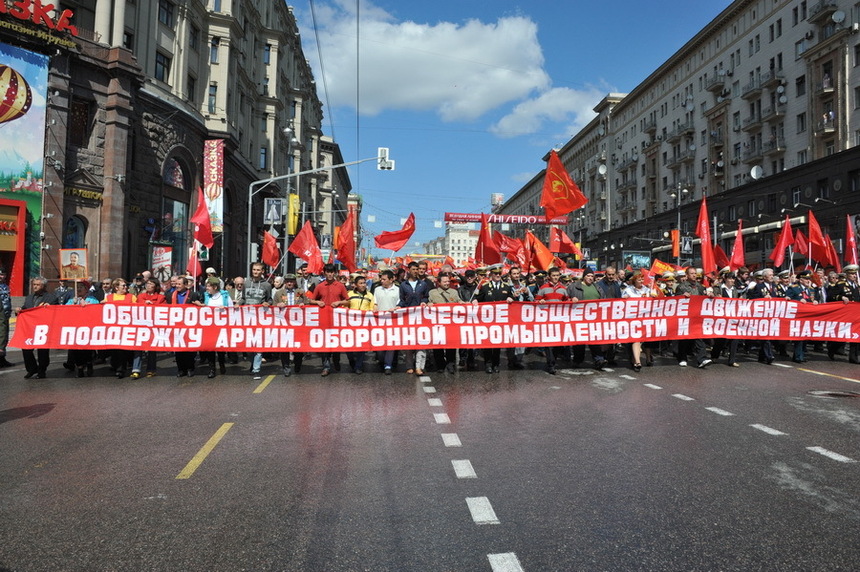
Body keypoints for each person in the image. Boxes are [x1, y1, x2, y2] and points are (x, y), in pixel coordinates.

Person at [308, 263, 348, 376]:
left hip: (337, 320)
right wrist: (317, 302)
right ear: (324, 273)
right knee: (324, 344)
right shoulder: (320, 286)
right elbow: (310, 300)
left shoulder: (340, 286)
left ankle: (336, 361)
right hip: (324, 320)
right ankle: (326, 366)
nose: (330, 274)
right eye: (328, 272)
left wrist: (339, 302)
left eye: (332, 272)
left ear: (334, 273)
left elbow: (348, 301)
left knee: (336, 343)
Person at [16, 277, 59, 378]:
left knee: (42, 351)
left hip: (43, 328)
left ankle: (42, 370)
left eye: (37, 285)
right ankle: (32, 369)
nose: (35, 286)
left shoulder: (51, 298)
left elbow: (58, 311)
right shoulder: (29, 297)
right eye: (34, 284)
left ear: (43, 286)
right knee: (26, 347)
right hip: (29, 327)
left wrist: (50, 308)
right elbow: (25, 308)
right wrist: (19, 310)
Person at [567, 268, 607, 370]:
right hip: (579, 318)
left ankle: (599, 359)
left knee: (594, 340)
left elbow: (604, 300)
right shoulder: (574, 287)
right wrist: (571, 299)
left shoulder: (597, 287)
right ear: (583, 277)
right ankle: (577, 360)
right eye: (588, 276)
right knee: (579, 342)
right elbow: (565, 298)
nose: (590, 278)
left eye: (591, 276)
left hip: (594, 318)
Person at [475, 267, 513, 373]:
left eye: (499, 273)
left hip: (500, 320)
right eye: (495, 273)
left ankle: (496, 364)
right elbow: (479, 299)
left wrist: (511, 299)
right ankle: (488, 364)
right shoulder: (485, 286)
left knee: (497, 344)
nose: (497, 275)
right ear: (491, 274)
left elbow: (512, 299)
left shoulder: (506, 286)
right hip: (488, 319)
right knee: (488, 343)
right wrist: (474, 300)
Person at [675, 266, 714, 368]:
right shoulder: (681, 287)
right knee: (684, 337)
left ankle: (702, 359)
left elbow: (703, 297)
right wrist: (682, 296)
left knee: (699, 336)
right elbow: (675, 301)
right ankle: (682, 358)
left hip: (697, 315)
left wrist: (710, 295)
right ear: (687, 275)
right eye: (692, 273)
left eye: (695, 273)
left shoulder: (700, 286)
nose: (694, 275)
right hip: (685, 315)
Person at [195, 277, 233, 378]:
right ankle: (212, 369)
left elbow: (232, 309)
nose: (206, 288)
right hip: (209, 327)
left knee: (220, 349)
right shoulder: (207, 296)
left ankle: (221, 364)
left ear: (215, 287)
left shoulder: (225, 296)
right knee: (210, 348)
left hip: (221, 327)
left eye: (208, 286)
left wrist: (225, 309)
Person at [398, 261, 430, 375]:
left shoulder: (423, 284)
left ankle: (419, 366)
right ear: (409, 270)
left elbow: (426, 297)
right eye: (414, 269)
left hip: (421, 317)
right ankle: (409, 365)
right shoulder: (403, 285)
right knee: (409, 342)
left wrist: (423, 302)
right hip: (408, 316)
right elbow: (401, 299)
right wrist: (399, 306)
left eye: (417, 269)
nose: (416, 271)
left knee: (421, 342)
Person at [535, 267, 569, 374]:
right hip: (547, 320)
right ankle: (551, 365)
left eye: (557, 275)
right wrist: (540, 301)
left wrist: (572, 300)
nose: (555, 277)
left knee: (558, 344)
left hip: (559, 320)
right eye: (553, 276)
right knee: (549, 344)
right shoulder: (543, 288)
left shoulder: (563, 289)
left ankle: (553, 361)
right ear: (549, 277)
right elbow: (535, 301)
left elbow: (567, 302)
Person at [273, 273, 307, 376]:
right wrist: (277, 305)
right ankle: (286, 367)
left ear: (294, 282)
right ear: (285, 282)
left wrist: (303, 304)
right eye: (287, 281)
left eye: (291, 281)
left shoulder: (300, 292)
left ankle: (298, 364)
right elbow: (273, 306)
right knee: (285, 347)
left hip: (298, 324)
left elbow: (308, 303)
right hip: (284, 324)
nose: (289, 283)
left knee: (298, 347)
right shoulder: (279, 293)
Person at [132, 278, 167, 378]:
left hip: (153, 326)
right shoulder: (141, 296)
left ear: (155, 286)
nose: (148, 285)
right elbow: (135, 308)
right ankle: (136, 369)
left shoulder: (161, 297)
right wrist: (144, 304)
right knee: (138, 347)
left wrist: (153, 306)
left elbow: (164, 309)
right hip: (141, 325)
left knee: (152, 348)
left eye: (151, 284)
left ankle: (151, 369)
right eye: (147, 283)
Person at [244, 263, 273, 379]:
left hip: (260, 319)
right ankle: (253, 363)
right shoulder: (246, 284)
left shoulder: (266, 285)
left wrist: (268, 303)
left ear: (262, 271)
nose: (255, 272)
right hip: (246, 318)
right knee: (248, 346)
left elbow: (270, 300)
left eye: (258, 270)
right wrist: (238, 304)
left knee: (258, 345)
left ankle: (256, 369)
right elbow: (242, 298)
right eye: (254, 270)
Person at [428, 272, 461, 374]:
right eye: (445, 281)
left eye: (448, 281)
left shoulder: (454, 292)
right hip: (437, 323)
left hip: (451, 323)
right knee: (438, 345)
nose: (447, 283)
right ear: (439, 282)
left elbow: (459, 302)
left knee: (451, 344)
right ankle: (440, 365)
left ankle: (451, 364)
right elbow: (429, 301)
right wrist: (428, 304)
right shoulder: (432, 292)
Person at [342, 275, 375, 374]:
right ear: (355, 285)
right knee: (349, 346)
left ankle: (358, 366)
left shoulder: (369, 295)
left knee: (362, 346)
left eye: (364, 283)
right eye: (360, 283)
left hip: (363, 324)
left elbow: (372, 308)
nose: (363, 285)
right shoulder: (349, 294)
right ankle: (351, 360)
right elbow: (344, 306)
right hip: (350, 324)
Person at [104, 278, 137, 378]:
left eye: (126, 285)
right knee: (115, 348)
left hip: (127, 327)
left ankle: (121, 369)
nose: (126, 287)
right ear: (116, 287)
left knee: (123, 349)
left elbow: (137, 310)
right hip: (113, 328)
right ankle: (115, 364)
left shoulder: (132, 297)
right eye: (123, 286)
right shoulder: (109, 298)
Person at [65, 281, 99, 377]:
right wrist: (73, 305)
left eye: (81, 287)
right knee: (76, 348)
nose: (79, 289)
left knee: (87, 348)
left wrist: (88, 307)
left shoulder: (93, 300)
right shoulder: (72, 300)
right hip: (75, 328)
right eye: (77, 287)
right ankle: (79, 367)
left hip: (87, 328)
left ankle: (89, 364)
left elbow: (97, 311)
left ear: (86, 289)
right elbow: (64, 311)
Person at [621, 272, 654, 372]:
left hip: (645, 318)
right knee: (636, 339)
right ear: (634, 280)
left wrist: (653, 296)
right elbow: (621, 303)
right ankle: (637, 362)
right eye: (639, 280)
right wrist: (624, 299)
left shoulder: (647, 289)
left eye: (642, 279)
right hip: (633, 319)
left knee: (647, 339)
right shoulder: (627, 290)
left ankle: (648, 358)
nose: (641, 282)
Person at [170, 276, 202, 377]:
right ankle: (181, 369)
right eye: (176, 284)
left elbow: (199, 308)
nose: (177, 286)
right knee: (178, 349)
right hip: (177, 325)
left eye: (179, 284)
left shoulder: (193, 295)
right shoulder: (172, 294)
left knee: (189, 349)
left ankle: (190, 368)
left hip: (189, 325)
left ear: (185, 285)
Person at [785, 270, 819, 363]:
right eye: (806, 279)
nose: (808, 280)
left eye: (809, 279)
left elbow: (815, 299)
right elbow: (787, 298)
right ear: (801, 280)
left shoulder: (811, 289)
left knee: (805, 337)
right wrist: (798, 300)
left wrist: (815, 301)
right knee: (799, 338)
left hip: (808, 317)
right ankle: (798, 356)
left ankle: (801, 355)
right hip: (798, 316)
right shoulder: (794, 288)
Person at [711, 272, 741, 367]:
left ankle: (732, 360)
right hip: (721, 317)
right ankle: (714, 355)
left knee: (735, 338)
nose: (732, 281)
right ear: (725, 279)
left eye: (733, 279)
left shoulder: (735, 290)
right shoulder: (718, 288)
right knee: (721, 339)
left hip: (732, 317)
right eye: (730, 278)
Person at [505, 264, 532, 369]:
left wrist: (526, 293)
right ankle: (511, 360)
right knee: (511, 338)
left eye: (518, 274)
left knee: (521, 339)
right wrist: (512, 296)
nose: (516, 276)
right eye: (514, 274)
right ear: (510, 275)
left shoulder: (524, 286)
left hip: (522, 316)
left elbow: (531, 300)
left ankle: (518, 360)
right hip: (510, 316)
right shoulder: (506, 286)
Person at [373, 269, 400, 374]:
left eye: (384, 279)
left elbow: (399, 304)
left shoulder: (398, 290)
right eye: (381, 279)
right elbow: (375, 303)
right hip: (379, 321)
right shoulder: (377, 289)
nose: (382, 281)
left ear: (391, 279)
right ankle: (382, 360)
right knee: (379, 345)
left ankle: (388, 366)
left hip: (393, 321)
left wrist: (396, 308)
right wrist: (375, 309)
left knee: (390, 345)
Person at [747, 268, 776, 364]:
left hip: (773, 314)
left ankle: (761, 356)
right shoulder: (758, 286)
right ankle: (769, 356)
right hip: (762, 315)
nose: (772, 276)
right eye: (770, 275)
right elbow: (752, 298)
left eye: (772, 275)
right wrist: (763, 298)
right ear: (764, 277)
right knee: (766, 336)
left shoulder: (776, 286)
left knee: (768, 336)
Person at [457, 269, 480, 370]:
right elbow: (458, 301)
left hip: (475, 316)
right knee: (463, 338)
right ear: (465, 277)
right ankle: (462, 358)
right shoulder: (460, 289)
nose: (469, 278)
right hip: (464, 316)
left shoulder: (479, 289)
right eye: (468, 276)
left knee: (473, 338)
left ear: (475, 277)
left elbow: (482, 299)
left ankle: (471, 358)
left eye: (471, 276)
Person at [0, 269, 13, 367]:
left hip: (6, 314)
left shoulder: (6, 287)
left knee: (4, 336)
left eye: (3, 274)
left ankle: (2, 358)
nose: (1, 276)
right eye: (0, 275)